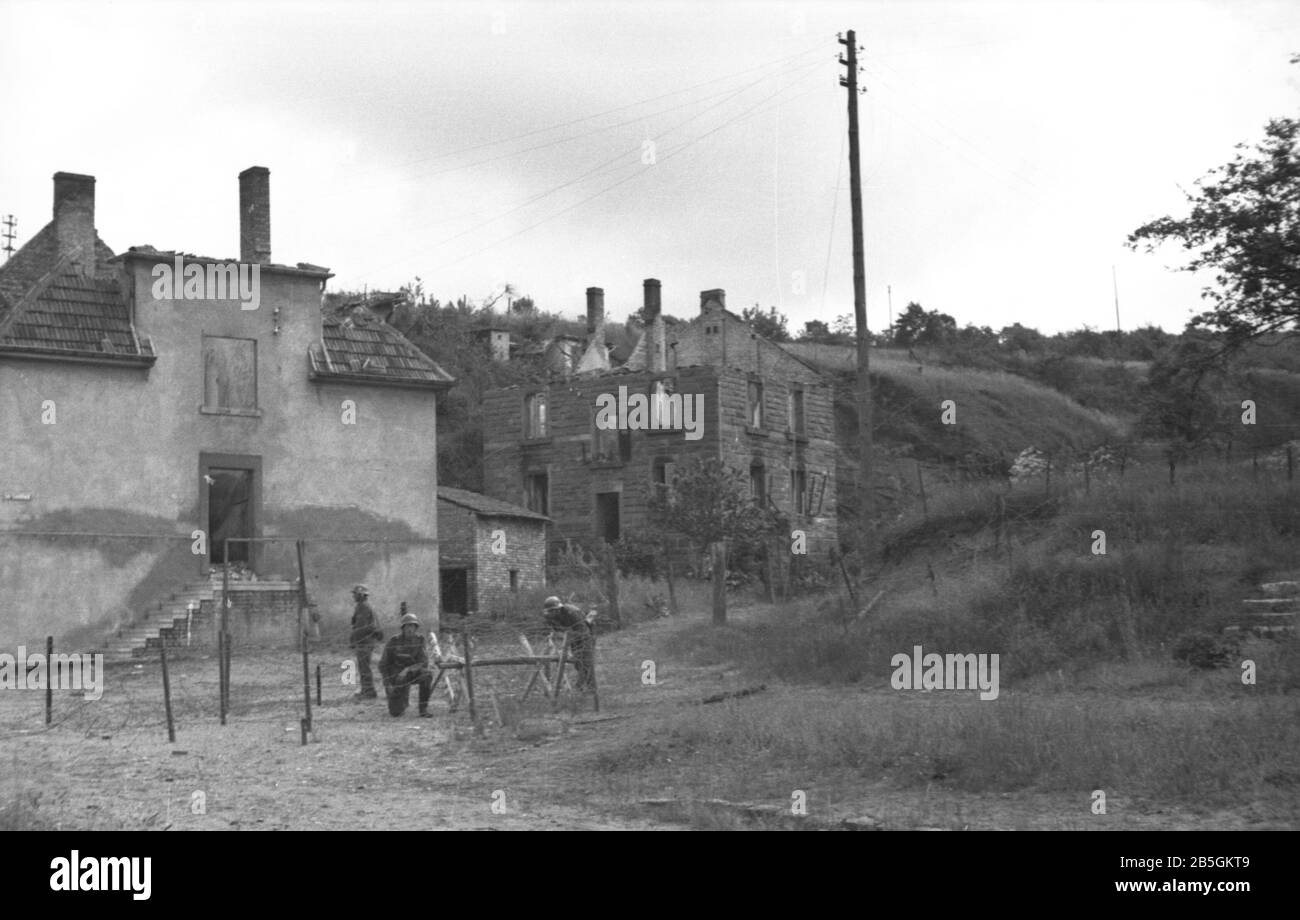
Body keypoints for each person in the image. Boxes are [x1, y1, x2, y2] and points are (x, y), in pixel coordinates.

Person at [379, 610, 434, 718]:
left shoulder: (420, 640)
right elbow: (383, 664)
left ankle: (423, 709)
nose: (410, 629)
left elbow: (424, 662)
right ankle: (401, 703)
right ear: (403, 628)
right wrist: (388, 683)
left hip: (411, 673)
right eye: (407, 626)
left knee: (427, 675)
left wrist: (408, 669)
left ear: (416, 628)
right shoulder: (394, 641)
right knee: (396, 713)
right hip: (396, 677)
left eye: (412, 626)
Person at [542, 596, 595, 691]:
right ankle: (581, 685)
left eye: (556, 610)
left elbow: (583, 631)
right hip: (571, 636)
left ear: (559, 608)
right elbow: (555, 630)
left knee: (586, 661)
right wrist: (556, 638)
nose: (554, 612)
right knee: (578, 663)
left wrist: (567, 640)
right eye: (551, 611)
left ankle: (591, 688)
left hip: (586, 633)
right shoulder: (549, 617)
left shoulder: (571, 612)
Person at [349, 584, 382, 700]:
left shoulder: (364, 607)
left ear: (361, 595)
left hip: (365, 642)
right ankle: (366, 690)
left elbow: (365, 627)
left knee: (364, 667)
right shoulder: (361, 606)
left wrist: (354, 637)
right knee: (363, 667)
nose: (353, 596)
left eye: (355, 594)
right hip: (363, 641)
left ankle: (369, 691)